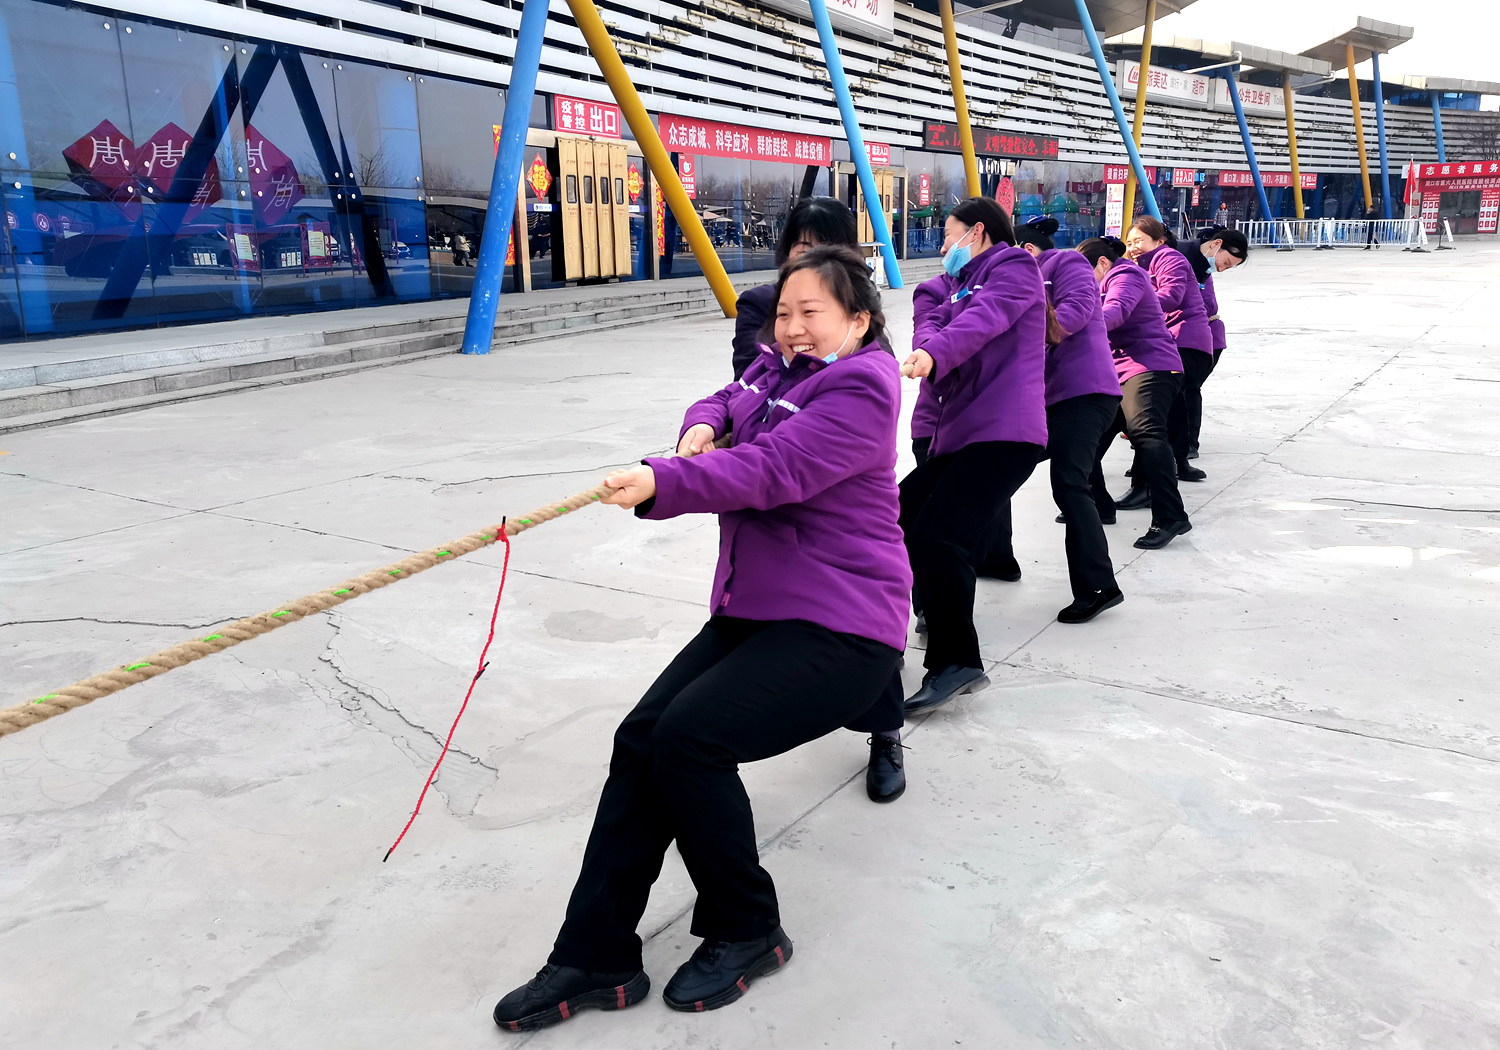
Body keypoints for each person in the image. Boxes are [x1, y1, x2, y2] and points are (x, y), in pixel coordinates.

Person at [491, 246, 910, 1031]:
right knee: (643, 738)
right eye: (784, 313)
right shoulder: (775, 368)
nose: (791, 327)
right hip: (759, 611)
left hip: (844, 626)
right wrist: (698, 427)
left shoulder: (862, 386)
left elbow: (771, 470)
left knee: (690, 739)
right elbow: (727, 395)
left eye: (810, 313)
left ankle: (749, 928)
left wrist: (662, 480)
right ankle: (597, 953)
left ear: (859, 320)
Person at [899, 197, 1047, 713]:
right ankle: (879, 630)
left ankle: (956, 662)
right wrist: (929, 345)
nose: (943, 246)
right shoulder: (959, 285)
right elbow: (933, 320)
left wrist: (936, 351)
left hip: (1004, 432)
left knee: (941, 536)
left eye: (948, 235)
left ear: (977, 232)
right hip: (961, 435)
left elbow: (983, 320)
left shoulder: (1013, 268)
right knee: (895, 516)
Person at [993, 215, 1127, 623]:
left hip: (1085, 391)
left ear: (1026, 250)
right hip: (1050, 400)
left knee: (1071, 482)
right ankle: (996, 557)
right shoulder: (1016, 281)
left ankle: (1099, 587)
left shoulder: (1065, 264)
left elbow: (1078, 311)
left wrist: (1028, 335)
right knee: (995, 467)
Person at [1080, 237, 1192, 550]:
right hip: (1118, 374)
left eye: (1085, 273)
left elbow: (1114, 312)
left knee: (1147, 433)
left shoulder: (1125, 276)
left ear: (1102, 263)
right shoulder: (1103, 282)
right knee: (1085, 439)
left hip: (1150, 366)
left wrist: (1070, 325)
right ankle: (1099, 506)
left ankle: (1170, 516)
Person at [730, 197, 888, 380]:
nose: (818, 263)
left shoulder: (857, 299)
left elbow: (881, 363)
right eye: (805, 253)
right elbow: (748, 380)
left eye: (831, 254)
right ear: (787, 253)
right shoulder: (759, 302)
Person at [1123, 216, 1213, 486]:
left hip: (1184, 339)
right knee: (1170, 408)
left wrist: (1129, 303)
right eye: (1129, 242)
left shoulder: (1168, 258)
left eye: (1139, 240)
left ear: (1159, 240)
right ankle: (1178, 464)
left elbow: (1172, 296)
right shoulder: (1139, 265)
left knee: (1152, 415)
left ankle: (1146, 482)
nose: (1133, 246)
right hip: (1171, 341)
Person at [1177, 226, 1249, 460]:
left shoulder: (1202, 271)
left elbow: (1209, 306)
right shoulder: (1182, 258)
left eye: (1230, 266)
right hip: (1183, 336)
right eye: (1226, 262)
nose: (1223, 268)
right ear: (1217, 245)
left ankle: (1187, 445)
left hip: (1205, 338)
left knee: (1188, 389)